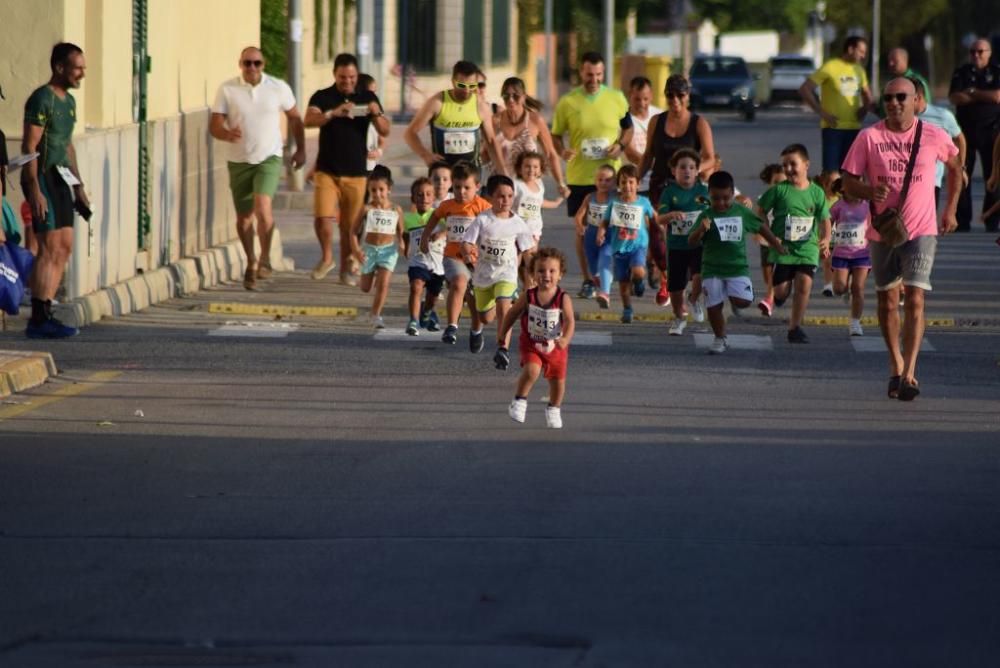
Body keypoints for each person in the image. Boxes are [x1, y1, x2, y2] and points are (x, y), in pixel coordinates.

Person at [841, 77, 962, 400]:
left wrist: (950, 209)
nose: (894, 103)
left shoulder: (934, 135)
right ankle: (895, 364)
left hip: (922, 229)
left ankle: (910, 373)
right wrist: (868, 190)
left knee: (916, 298)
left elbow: (955, 166)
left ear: (916, 100)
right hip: (883, 230)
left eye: (900, 97)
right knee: (887, 300)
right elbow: (847, 182)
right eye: (888, 98)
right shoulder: (869, 137)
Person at [210, 46, 305, 291]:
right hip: (239, 160)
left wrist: (300, 149)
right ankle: (250, 261)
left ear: (263, 64)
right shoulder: (227, 89)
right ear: (240, 64)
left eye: (256, 63)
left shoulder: (278, 87)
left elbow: (295, 117)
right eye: (247, 63)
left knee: (263, 208)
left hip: (268, 157)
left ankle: (264, 258)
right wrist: (226, 133)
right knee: (243, 220)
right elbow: (214, 125)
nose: (252, 68)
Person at [20, 43, 89, 339]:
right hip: (44, 177)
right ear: (59, 67)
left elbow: (68, 145)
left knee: (65, 245)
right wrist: (34, 189)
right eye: (77, 68)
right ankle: (38, 317)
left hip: (62, 180)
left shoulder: (69, 102)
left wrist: (79, 188)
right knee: (48, 247)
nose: (82, 74)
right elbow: (29, 146)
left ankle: (48, 307)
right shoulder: (41, 99)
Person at [551, 52, 633, 296]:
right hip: (580, 177)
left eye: (598, 75)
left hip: (610, 178)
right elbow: (555, 135)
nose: (594, 80)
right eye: (589, 75)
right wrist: (562, 151)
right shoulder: (568, 102)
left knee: (613, 228)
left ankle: (609, 275)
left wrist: (621, 146)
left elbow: (627, 129)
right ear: (581, 73)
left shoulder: (616, 98)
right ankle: (588, 279)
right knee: (584, 229)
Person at [305, 53, 390, 284]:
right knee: (322, 216)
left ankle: (345, 270)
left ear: (357, 75)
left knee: (348, 228)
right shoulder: (323, 96)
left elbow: (385, 130)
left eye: (351, 77)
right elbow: (308, 120)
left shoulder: (367, 96)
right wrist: (332, 114)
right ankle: (326, 258)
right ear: (335, 74)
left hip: (356, 172)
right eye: (343, 77)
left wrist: (376, 112)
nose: (347, 82)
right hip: (327, 170)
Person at [688, 171, 787, 354]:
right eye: (716, 198)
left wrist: (776, 244)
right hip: (712, 269)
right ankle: (720, 338)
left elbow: (761, 227)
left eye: (726, 198)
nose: (721, 203)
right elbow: (691, 242)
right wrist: (701, 230)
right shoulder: (706, 215)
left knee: (743, 301)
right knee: (713, 306)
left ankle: (733, 296)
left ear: (733, 194)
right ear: (709, 196)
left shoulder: (741, 212)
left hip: (737, 268)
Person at [637, 74, 715, 300]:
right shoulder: (657, 121)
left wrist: (691, 172)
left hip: (688, 190)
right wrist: (632, 181)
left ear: (688, 96)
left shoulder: (699, 123)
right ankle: (665, 278)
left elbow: (710, 157)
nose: (675, 100)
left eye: (680, 95)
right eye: (670, 95)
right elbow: (648, 155)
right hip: (660, 186)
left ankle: (682, 280)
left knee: (683, 238)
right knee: (657, 236)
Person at [757, 144, 832, 344]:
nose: (789, 169)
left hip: (807, 249)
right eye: (785, 165)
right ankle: (780, 295)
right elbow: (760, 210)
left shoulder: (816, 193)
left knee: (804, 285)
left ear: (806, 165)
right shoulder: (779, 190)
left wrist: (825, 239)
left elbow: (825, 219)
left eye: (793, 164)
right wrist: (770, 234)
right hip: (783, 249)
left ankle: (795, 327)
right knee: (781, 291)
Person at [461, 174, 534, 370]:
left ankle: (503, 348)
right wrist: (468, 252)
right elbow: (467, 242)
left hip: (506, 273)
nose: (506, 201)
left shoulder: (518, 223)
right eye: (501, 196)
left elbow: (527, 251)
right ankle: (477, 328)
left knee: (504, 306)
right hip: (483, 275)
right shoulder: (483, 220)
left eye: (510, 196)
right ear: (491, 197)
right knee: (487, 317)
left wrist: (532, 275)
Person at [497, 247, 575, 429]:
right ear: (532, 274)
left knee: (558, 383)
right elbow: (512, 314)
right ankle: (519, 400)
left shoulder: (563, 298)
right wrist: (502, 332)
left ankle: (554, 408)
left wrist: (565, 339)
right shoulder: (529, 295)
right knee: (532, 370)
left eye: (552, 271)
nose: (546, 275)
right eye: (540, 271)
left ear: (560, 274)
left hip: (556, 346)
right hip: (531, 343)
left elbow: (570, 321)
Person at [419, 161, 488, 349]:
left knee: (475, 300)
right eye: (457, 187)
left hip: (477, 260)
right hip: (453, 256)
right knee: (458, 283)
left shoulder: (482, 207)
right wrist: (425, 237)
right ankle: (451, 326)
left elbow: (495, 224)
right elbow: (434, 217)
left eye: (467, 187)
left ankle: (476, 330)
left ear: (477, 187)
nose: (461, 191)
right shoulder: (447, 205)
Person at [404, 60, 504, 173]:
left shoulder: (480, 106)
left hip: (470, 176)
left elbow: (491, 142)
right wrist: (426, 155)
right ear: (453, 82)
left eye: (471, 86)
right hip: (443, 176)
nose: (466, 90)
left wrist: (503, 174)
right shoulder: (437, 102)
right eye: (461, 85)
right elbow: (410, 133)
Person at [655, 148, 709, 335]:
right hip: (677, 246)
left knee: (700, 276)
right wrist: (670, 215)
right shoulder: (669, 193)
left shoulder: (703, 191)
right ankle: (679, 317)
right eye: (682, 167)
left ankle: (693, 299)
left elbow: (716, 210)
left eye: (691, 167)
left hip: (699, 244)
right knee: (676, 287)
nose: (687, 171)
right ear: (673, 171)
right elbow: (659, 219)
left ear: (697, 171)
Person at [799, 36, 874, 172]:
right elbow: (805, 89)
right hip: (833, 129)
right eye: (861, 51)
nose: (863, 56)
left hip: (853, 129)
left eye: (865, 52)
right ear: (850, 49)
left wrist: (864, 109)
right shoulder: (831, 67)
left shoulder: (859, 70)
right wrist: (821, 112)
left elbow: (868, 95)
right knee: (831, 174)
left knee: (851, 173)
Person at [948, 38, 1000, 232]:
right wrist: (984, 95)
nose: (976, 55)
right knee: (962, 174)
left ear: (989, 52)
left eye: (980, 51)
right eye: (972, 52)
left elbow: (997, 96)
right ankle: (962, 220)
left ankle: (992, 220)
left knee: (993, 176)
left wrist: (971, 93)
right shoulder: (962, 72)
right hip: (965, 131)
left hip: (992, 131)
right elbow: (954, 97)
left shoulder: (996, 71)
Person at [596, 165, 657, 323]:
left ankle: (638, 282)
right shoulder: (614, 203)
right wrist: (601, 231)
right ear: (618, 185)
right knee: (623, 284)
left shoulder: (643, 202)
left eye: (631, 182)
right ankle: (627, 309)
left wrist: (662, 225)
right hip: (619, 247)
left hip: (638, 245)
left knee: (638, 270)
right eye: (623, 182)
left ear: (638, 184)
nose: (627, 186)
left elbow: (654, 217)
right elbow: (605, 221)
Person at [348, 166, 404, 329]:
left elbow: (401, 231)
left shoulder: (396, 209)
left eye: (381, 189)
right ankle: (367, 274)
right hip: (369, 250)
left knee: (384, 283)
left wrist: (402, 244)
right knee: (365, 288)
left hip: (388, 251)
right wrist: (356, 251)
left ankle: (375, 315)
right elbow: (353, 231)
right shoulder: (367, 209)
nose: (378, 194)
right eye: (373, 190)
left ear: (389, 190)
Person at [492, 77, 567, 194]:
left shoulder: (535, 120)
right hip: (500, 190)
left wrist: (561, 184)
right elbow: (485, 155)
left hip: (529, 191)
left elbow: (551, 154)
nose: (511, 100)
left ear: (524, 97)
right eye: (506, 96)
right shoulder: (495, 121)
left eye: (515, 96)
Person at [912, 76, 966, 206]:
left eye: (903, 97)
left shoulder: (943, 116)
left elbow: (959, 139)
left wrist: (961, 167)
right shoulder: (902, 118)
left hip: (932, 181)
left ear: (917, 97)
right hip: (904, 180)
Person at [828, 178, 871, 337]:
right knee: (839, 289)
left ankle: (855, 323)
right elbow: (827, 221)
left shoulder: (867, 206)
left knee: (858, 288)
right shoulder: (838, 206)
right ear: (843, 189)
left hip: (861, 254)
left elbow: (875, 224)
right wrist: (825, 239)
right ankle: (845, 290)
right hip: (842, 254)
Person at [512, 150, 563, 286]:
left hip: (533, 232)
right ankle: (510, 291)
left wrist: (556, 203)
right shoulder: (516, 185)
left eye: (535, 167)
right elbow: (507, 204)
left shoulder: (539, 185)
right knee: (513, 264)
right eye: (527, 166)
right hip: (515, 232)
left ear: (540, 170)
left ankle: (530, 291)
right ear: (519, 168)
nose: (531, 170)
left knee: (531, 263)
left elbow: (539, 202)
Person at [402, 177, 444, 335]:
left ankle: (427, 313)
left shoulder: (440, 216)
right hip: (417, 262)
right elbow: (405, 235)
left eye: (428, 194)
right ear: (413, 198)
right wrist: (406, 248)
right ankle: (413, 320)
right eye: (419, 194)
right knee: (416, 287)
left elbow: (451, 230)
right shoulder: (408, 219)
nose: (424, 198)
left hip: (437, 265)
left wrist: (441, 233)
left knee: (433, 296)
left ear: (434, 197)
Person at [573, 164, 616, 303]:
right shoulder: (590, 197)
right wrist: (580, 225)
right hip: (591, 235)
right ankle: (600, 280)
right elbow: (579, 215)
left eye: (608, 180)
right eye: (600, 179)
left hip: (608, 236)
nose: (603, 183)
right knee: (593, 267)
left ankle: (604, 292)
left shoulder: (616, 198)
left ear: (614, 182)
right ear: (595, 181)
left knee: (605, 259)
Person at [756, 163, 786, 317]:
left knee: (775, 272)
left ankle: (769, 299)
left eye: (783, 182)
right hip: (765, 242)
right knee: (767, 273)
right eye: (775, 183)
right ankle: (774, 296)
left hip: (781, 242)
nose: (778, 186)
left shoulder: (788, 200)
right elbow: (757, 219)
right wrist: (757, 234)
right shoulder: (763, 199)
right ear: (769, 183)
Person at [878, 48, 930, 118]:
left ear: (904, 60)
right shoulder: (890, 83)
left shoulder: (917, 82)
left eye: (894, 60)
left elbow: (925, 108)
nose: (891, 63)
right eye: (889, 60)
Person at [814, 169, 840, 296]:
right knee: (827, 260)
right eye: (833, 183)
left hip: (841, 236)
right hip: (825, 235)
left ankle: (845, 284)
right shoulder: (821, 199)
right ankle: (829, 284)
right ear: (825, 185)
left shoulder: (842, 198)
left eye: (838, 182)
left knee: (841, 262)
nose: (836, 186)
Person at [357, 73, 386, 172]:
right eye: (371, 93)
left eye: (374, 93)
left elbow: (382, 139)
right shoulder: (349, 114)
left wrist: (379, 151)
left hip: (370, 167)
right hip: (351, 169)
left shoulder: (376, 113)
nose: (373, 97)